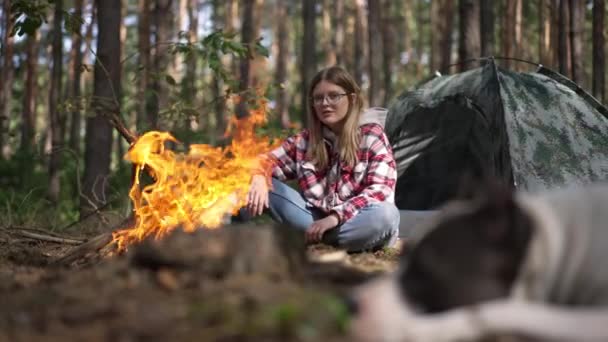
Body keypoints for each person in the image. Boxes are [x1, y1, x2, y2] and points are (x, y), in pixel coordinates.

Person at [246, 66, 399, 252]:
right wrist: (259, 176)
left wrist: (334, 218)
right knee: (251, 182)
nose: (325, 103)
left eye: (334, 96)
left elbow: (380, 191)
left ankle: (319, 240)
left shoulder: (372, 135)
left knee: (386, 215)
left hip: (357, 221)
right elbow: (265, 160)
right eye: (318, 98)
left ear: (351, 99)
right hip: (313, 221)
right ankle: (324, 240)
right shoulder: (305, 140)